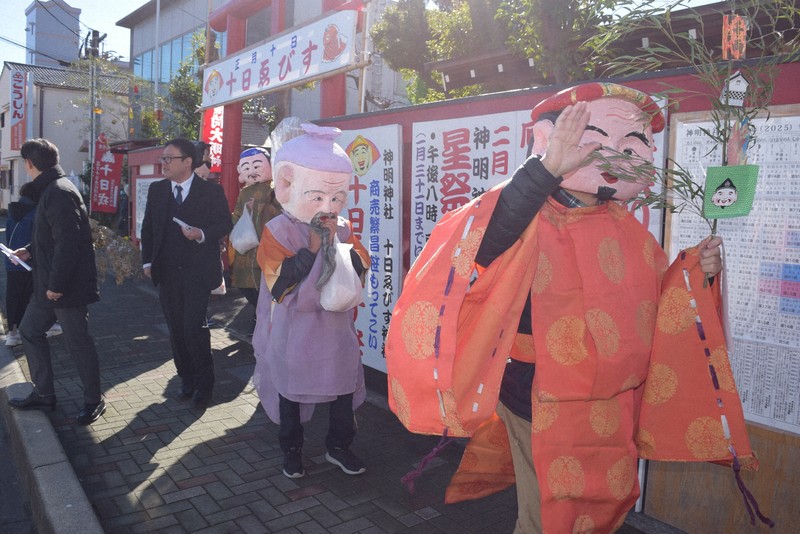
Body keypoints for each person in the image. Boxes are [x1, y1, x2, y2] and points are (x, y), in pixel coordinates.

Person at [385, 83, 744, 533]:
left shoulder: (626, 228)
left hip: (613, 401)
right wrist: (545, 171)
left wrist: (699, 271)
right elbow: (482, 245)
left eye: (629, 145)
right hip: (538, 396)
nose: (612, 156)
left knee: (608, 498)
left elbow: (662, 298)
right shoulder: (528, 211)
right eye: (594, 142)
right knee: (549, 512)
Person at [251, 123, 369, 479]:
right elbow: (278, 283)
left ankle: (339, 446)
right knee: (292, 390)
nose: (327, 207)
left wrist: (339, 246)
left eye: (335, 198)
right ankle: (292, 450)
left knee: (343, 388)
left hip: (335, 330)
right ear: (287, 186)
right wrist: (314, 249)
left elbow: (361, 268)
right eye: (317, 197)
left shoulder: (344, 227)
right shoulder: (278, 230)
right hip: (296, 331)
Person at [7, 138, 105, 425]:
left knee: (78, 343)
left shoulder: (59, 191)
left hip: (64, 288)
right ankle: (45, 393)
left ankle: (93, 400)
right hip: (48, 285)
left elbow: (69, 244)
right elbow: (50, 237)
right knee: (29, 330)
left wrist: (56, 285)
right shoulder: (52, 189)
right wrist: (30, 250)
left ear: (29, 163)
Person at [140, 138, 232, 409]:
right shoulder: (158, 190)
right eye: (163, 159)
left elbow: (224, 223)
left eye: (169, 158)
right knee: (176, 330)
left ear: (188, 162)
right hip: (167, 273)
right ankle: (186, 379)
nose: (164, 164)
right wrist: (147, 262)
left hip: (197, 273)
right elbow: (149, 228)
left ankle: (205, 384)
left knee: (194, 328)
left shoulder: (210, 192)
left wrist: (202, 234)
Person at [229, 147, 282, 333]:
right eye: (247, 167)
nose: (252, 171)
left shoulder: (276, 188)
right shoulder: (244, 192)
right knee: (247, 286)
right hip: (247, 246)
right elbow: (236, 214)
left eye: (257, 165)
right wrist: (240, 220)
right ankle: (258, 314)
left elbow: (282, 212)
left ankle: (265, 319)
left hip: (269, 243)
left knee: (267, 284)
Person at [4, 182, 38, 347]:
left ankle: (12, 332)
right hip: (29, 260)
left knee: (13, 296)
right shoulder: (35, 212)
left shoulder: (13, 212)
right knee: (30, 295)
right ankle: (26, 329)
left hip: (12, 260)